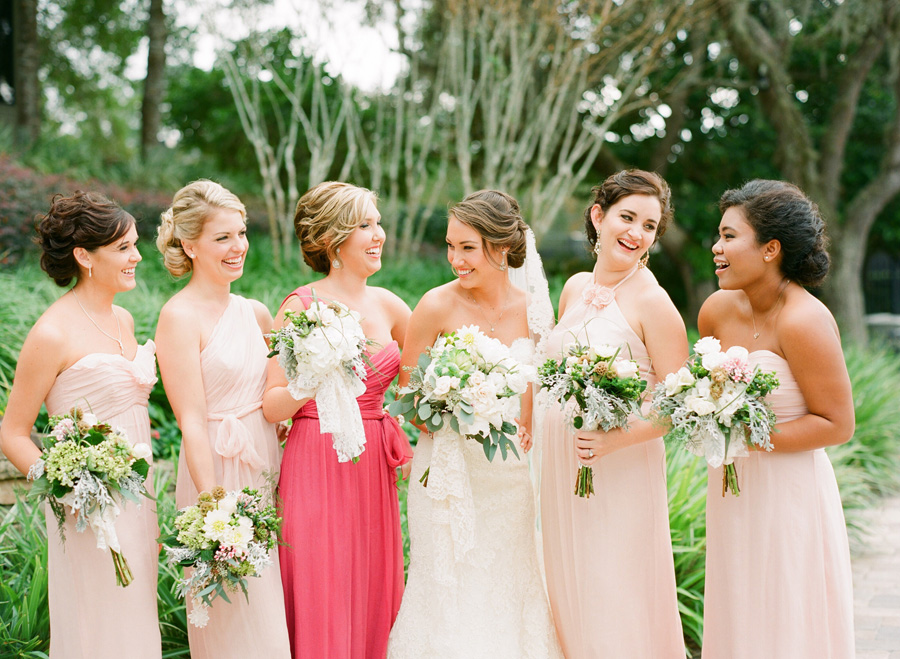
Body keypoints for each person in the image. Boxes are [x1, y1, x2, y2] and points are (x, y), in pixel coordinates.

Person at [387, 190, 563, 659]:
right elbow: (407, 397)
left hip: (509, 480)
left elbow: (540, 388)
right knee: (446, 585)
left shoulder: (536, 310)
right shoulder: (435, 306)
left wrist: (526, 423)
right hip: (447, 475)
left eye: (467, 248)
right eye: (450, 246)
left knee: (508, 582)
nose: (454, 259)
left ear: (502, 247)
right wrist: (452, 399)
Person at [0, 191, 162, 658]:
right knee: (96, 622)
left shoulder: (124, 319)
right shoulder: (52, 333)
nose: (136, 256)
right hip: (86, 507)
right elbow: (12, 432)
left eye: (134, 244)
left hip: (137, 500)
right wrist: (68, 485)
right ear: (83, 256)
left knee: (133, 619)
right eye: (123, 248)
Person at [699, 179, 855, 658]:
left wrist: (742, 434)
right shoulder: (717, 311)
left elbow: (837, 424)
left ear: (770, 249)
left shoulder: (803, 321)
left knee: (785, 610)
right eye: (718, 235)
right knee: (738, 604)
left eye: (729, 236)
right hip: (729, 488)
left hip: (790, 494)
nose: (715, 247)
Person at [541, 170, 687, 658]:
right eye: (628, 217)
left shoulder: (654, 302)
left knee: (613, 586)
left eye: (649, 225)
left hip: (620, 466)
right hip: (564, 464)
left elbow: (676, 404)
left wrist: (613, 440)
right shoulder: (574, 287)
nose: (637, 233)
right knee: (569, 582)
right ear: (598, 216)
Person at [263, 181, 412, 659]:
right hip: (314, 460)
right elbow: (271, 406)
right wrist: (313, 377)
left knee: (371, 581)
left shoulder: (391, 306)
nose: (378, 235)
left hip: (372, 466)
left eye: (377, 223)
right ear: (333, 240)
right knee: (321, 582)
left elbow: (418, 389)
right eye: (365, 225)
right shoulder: (300, 307)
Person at [155, 180, 290, 657]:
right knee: (235, 615)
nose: (238, 248)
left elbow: (278, 402)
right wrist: (213, 507)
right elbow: (190, 421)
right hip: (215, 470)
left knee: (272, 608)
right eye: (222, 238)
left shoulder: (255, 313)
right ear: (189, 245)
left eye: (241, 233)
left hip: (265, 465)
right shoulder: (178, 317)